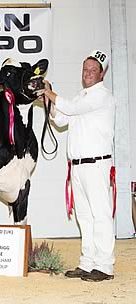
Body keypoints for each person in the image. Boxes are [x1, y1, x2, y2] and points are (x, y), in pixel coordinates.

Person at [42, 50, 116, 282]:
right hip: (78, 166)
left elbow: (70, 109)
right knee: (84, 216)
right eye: (85, 69)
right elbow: (63, 119)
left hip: (96, 164)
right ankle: (88, 262)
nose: (88, 74)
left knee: (101, 215)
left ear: (102, 74)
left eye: (93, 70)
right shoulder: (82, 97)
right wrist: (48, 101)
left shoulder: (102, 96)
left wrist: (49, 91)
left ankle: (105, 266)